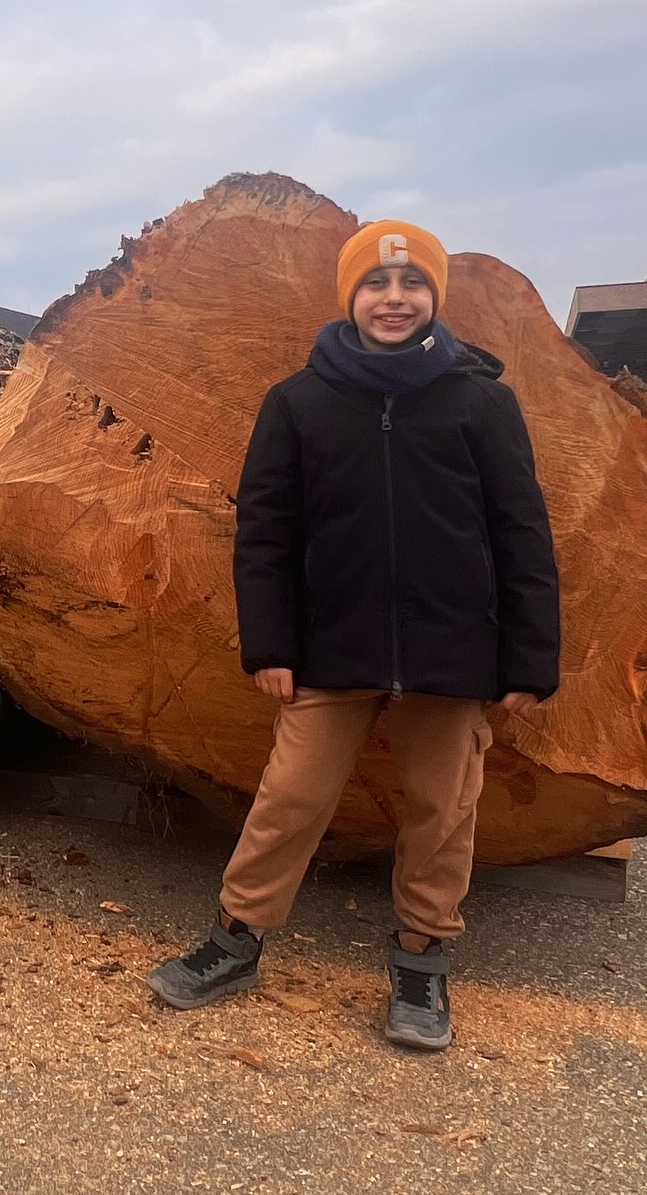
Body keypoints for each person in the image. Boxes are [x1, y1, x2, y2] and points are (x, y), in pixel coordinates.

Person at [147, 220, 560, 1050]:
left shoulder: (483, 399)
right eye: (376, 285)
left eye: (411, 286)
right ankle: (237, 938)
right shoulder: (298, 402)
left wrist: (531, 655)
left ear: (434, 298)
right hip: (332, 649)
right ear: (351, 297)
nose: (394, 299)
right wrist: (270, 644)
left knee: (444, 809)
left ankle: (421, 961)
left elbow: (522, 530)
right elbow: (267, 530)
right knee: (291, 796)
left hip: (453, 654)